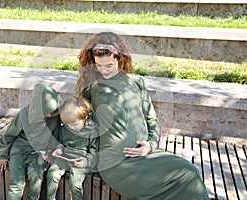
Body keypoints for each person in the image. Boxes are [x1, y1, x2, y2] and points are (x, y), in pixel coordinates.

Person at [75, 32, 210, 200]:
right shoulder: (91, 87)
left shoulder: (136, 81)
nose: (103, 70)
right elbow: (83, 123)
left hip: (146, 155)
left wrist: (150, 146)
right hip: (116, 163)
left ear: (120, 59)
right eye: (98, 66)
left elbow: (151, 119)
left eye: (109, 65)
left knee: (189, 172)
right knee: (182, 179)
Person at [0, 84, 64, 200]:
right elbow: (8, 135)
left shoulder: (54, 116)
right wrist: (3, 156)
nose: (52, 112)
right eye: (49, 110)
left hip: (37, 152)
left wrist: (49, 152)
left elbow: (55, 136)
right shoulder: (23, 115)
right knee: (17, 182)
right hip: (19, 150)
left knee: (36, 176)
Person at [46, 96, 99, 200]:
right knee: (52, 174)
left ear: (85, 117)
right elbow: (61, 142)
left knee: (75, 184)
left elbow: (95, 153)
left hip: (81, 159)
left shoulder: (92, 132)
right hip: (65, 156)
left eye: (75, 124)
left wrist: (86, 162)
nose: (72, 127)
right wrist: (59, 149)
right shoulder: (65, 129)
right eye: (68, 124)